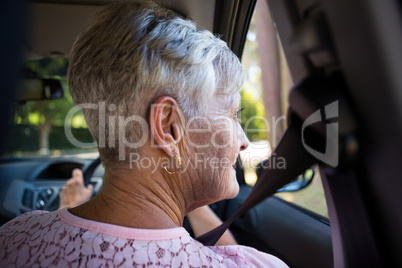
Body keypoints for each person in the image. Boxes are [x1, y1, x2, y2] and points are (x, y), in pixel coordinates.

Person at [0, 1, 288, 267]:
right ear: (168, 127)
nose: (244, 140)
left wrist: (70, 212)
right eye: (232, 115)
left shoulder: (13, 240)